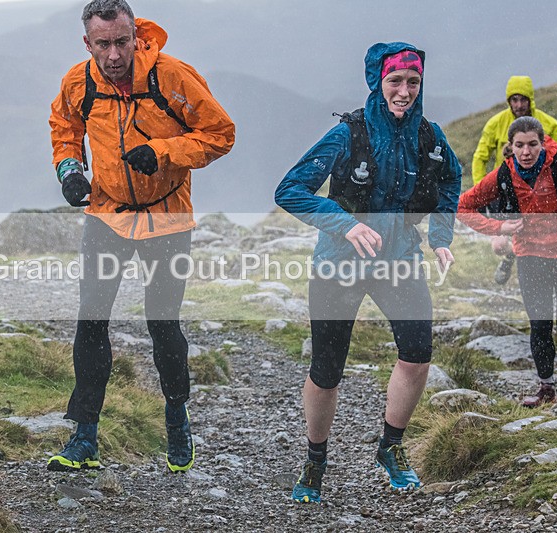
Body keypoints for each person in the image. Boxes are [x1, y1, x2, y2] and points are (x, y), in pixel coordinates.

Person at [47, 0, 234, 473]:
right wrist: (70, 170)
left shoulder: (171, 77)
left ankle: (176, 416)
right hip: (107, 215)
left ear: (137, 36)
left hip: (166, 216)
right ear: (87, 43)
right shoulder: (78, 82)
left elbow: (220, 133)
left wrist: (165, 152)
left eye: (122, 41)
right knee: (91, 321)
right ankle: (84, 435)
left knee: (162, 322)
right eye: (102, 44)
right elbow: (65, 128)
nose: (113, 54)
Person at [275, 42, 461, 501]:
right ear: (377, 82)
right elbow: (289, 189)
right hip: (338, 264)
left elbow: (452, 181)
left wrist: (439, 237)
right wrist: (344, 223)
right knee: (327, 370)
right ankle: (315, 460)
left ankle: (390, 446)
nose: (404, 91)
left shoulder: (429, 137)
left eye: (413, 82)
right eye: (395, 81)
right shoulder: (347, 135)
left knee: (418, 355)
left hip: (399, 262)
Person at [459, 116, 557, 407]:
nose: (526, 151)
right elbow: (463, 206)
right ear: (511, 147)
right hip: (530, 254)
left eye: (532, 144)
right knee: (540, 324)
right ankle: (547, 390)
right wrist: (498, 228)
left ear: (542, 143)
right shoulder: (503, 176)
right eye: (519, 145)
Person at [472, 76, 557, 285]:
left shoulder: (549, 124)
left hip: (540, 192)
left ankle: (538, 279)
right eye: (514, 100)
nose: (518, 105)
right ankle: (510, 256)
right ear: (508, 101)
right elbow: (480, 158)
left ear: (530, 99)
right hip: (504, 191)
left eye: (522, 100)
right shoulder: (495, 124)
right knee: (499, 245)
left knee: (541, 242)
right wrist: (481, 190)